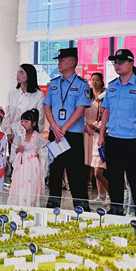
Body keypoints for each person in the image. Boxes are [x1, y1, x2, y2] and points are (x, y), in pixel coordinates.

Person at [98, 48, 136, 217]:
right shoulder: (112, 86)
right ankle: (116, 213)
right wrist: (101, 135)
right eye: (115, 62)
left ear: (131, 63)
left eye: (121, 62)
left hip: (132, 141)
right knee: (114, 179)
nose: (117, 65)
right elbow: (106, 111)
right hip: (113, 139)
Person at [43, 47, 92, 210]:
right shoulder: (54, 83)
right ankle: (52, 207)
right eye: (58, 60)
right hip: (55, 134)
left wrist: (63, 128)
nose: (59, 63)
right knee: (55, 173)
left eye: (62, 60)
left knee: (76, 174)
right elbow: (47, 106)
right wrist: (54, 126)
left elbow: (80, 110)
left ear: (72, 62)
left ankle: (82, 210)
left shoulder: (82, 84)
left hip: (72, 135)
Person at [8, 108, 47, 207]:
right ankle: (18, 206)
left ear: (33, 124)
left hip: (32, 166)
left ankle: (29, 206)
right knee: (19, 183)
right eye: (22, 121)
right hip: (21, 166)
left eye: (26, 122)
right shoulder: (19, 136)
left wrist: (39, 153)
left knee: (31, 185)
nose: (23, 124)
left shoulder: (37, 137)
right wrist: (18, 149)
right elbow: (13, 148)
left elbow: (46, 149)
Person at [85, 72, 108, 204]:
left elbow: (106, 130)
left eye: (97, 80)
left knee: (99, 172)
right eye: (92, 79)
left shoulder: (105, 96)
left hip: (103, 144)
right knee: (95, 170)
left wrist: (97, 128)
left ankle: (111, 194)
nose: (94, 82)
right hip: (95, 141)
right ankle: (101, 195)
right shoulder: (89, 95)